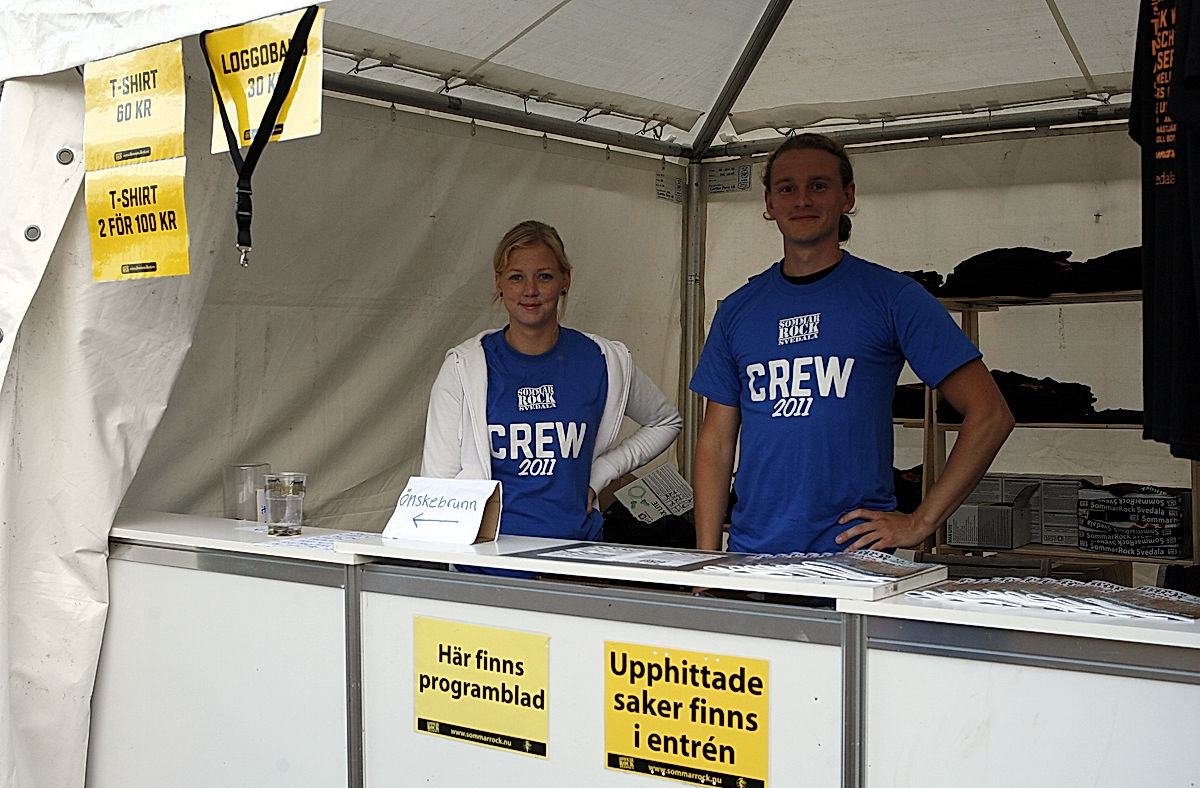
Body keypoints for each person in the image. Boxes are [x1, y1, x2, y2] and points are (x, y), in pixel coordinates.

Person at [690, 134, 1014, 555]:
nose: (802, 199)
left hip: (853, 559)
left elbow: (990, 415)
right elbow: (716, 444)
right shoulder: (738, 310)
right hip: (753, 556)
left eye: (818, 185)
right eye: (787, 188)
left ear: (847, 196)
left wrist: (920, 522)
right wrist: (706, 559)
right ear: (769, 203)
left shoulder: (893, 297)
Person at [422, 220, 682, 559]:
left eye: (544, 276)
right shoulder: (464, 366)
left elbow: (666, 421)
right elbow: (437, 482)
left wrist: (602, 473)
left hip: (577, 558)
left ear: (565, 280)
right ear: (499, 283)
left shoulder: (603, 360)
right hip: (487, 562)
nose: (529, 290)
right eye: (516, 277)